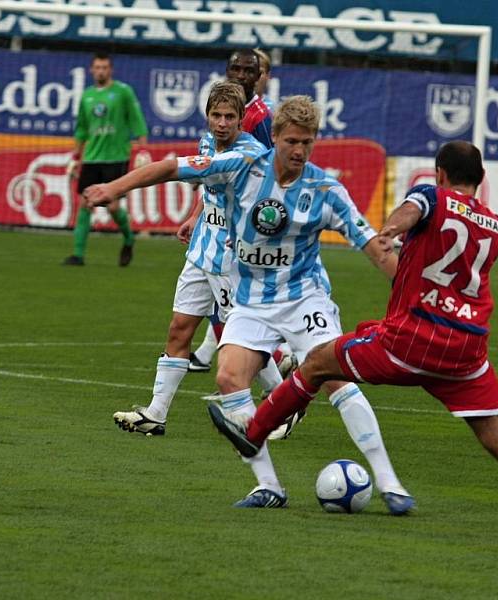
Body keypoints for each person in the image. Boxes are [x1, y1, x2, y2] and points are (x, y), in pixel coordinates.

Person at [209, 141, 498, 544]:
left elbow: (414, 210)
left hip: (411, 341)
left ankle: (254, 432)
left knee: (316, 363)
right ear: (481, 180)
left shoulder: (433, 196)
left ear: (439, 174)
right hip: (466, 353)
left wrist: (392, 228)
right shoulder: (494, 226)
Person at [84, 96, 413, 515]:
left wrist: (410, 292)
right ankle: (269, 486)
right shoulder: (240, 168)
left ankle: (390, 483)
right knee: (228, 378)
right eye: (291, 140)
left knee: (335, 376)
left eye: (307, 143)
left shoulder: (326, 190)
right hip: (252, 301)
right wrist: (113, 188)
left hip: (303, 297)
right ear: (273, 137)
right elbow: (170, 168)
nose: (298, 150)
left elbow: (374, 247)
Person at [111, 82, 288, 438]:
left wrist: (115, 187)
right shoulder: (207, 142)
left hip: (233, 261)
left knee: (237, 336)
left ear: (241, 121)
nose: (221, 123)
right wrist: (195, 216)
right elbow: (208, 186)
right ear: (207, 116)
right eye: (216, 115)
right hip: (201, 253)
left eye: (229, 117)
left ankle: (281, 403)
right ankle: (156, 413)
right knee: (179, 328)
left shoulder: (250, 153)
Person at [187, 47, 276, 372]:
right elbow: (215, 181)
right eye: (235, 69)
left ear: (259, 76)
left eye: (248, 70)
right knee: (220, 304)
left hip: (243, 230)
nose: (240, 75)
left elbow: (269, 176)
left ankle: (279, 365)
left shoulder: (262, 119)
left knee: (243, 311)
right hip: (214, 230)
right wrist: (196, 216)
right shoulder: (210, 134)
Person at [63, 52, 148, 267]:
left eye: (104, 67)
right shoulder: (87, 96)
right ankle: (77, 255)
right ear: (92, 70)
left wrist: (142, 150)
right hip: (92, 158)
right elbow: (81, 129)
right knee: (84, 203)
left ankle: (129, 238)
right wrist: (75, 157)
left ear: (111, 70)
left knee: (111, 207)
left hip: (116, 157)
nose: (100, 71)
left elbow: (137, 122)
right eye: (97, 67)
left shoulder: (123, 92)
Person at [253, 47, 276, 113]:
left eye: (260, 72)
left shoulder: (274, 110)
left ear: (268, 76)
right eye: (250, 71)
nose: (255, 77)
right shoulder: (233, 105)